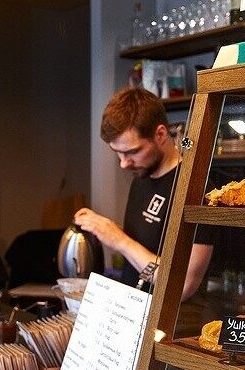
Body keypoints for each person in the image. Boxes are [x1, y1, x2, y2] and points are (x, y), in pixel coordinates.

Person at [74, 87, 212, 301]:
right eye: (117, 152)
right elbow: (147, 246)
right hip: (134, 310)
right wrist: (105, 230)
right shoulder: (142, 177)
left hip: (173, 319)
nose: (123, 163)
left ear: (160, 134)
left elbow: (183, 285)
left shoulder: (196, 189)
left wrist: (120, 241)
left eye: (132, 151)